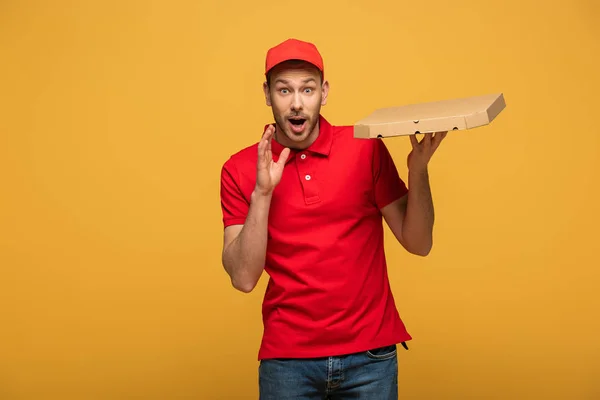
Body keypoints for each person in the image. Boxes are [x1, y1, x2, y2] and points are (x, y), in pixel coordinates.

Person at [219, 38, 447, 399]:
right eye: (284, 90)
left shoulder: (365, 148)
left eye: (307, 89)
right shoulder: (240, 168)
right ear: (267, 94)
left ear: (323, 93)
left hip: (370, 358)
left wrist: (417, 171)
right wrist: (262, 193)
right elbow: (244, 278)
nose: (296, 102)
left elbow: (419, 243)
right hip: (287, 361)